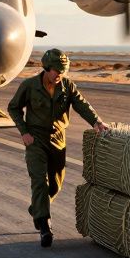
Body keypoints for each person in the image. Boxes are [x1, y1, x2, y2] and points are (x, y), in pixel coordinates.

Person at [8, 48, 108, 247]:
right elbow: (13, 107)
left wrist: (96, 122)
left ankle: (37, 207)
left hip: (58, 139)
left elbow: (81, 104)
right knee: (39, 181)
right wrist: (24, 132)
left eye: (62, 71)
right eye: (55, 70)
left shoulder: (67, 86)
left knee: (55, 185)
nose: (58, 75)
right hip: (35, 139)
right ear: (46, 68)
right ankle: (45, 227)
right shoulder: (29, 85)